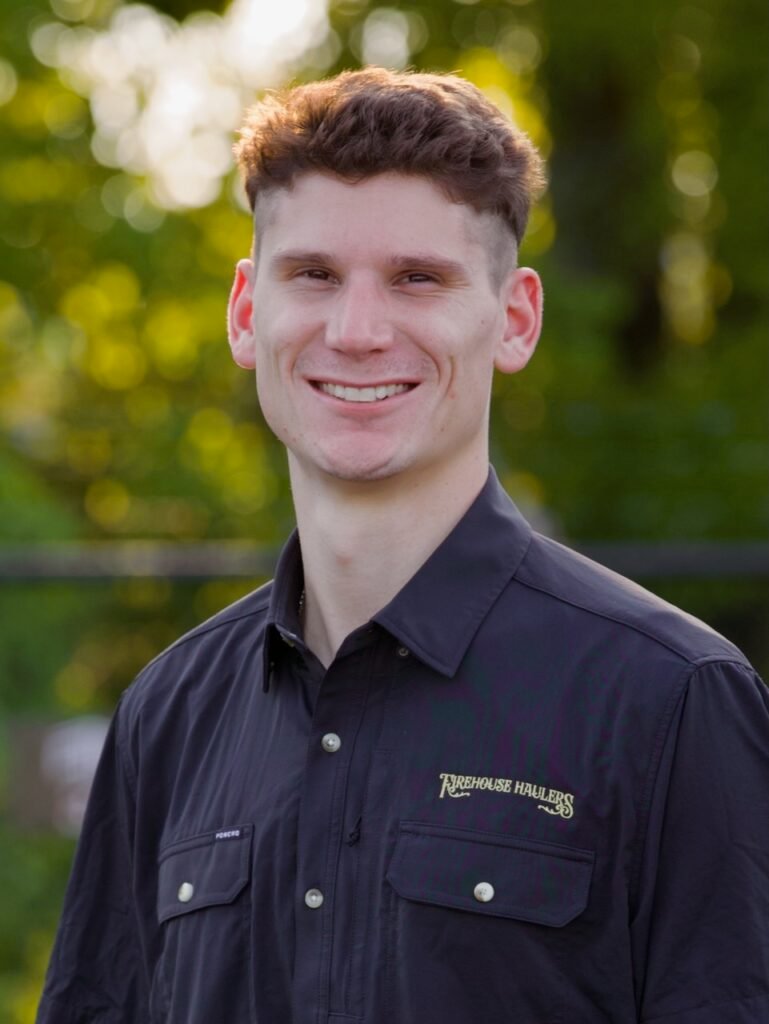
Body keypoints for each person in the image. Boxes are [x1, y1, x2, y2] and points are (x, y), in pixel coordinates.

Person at [37, 68, 768, 1024]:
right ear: (246, 313)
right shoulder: (166, 717)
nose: (358, 331)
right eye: (315, 276)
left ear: (513, 319)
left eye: (417, 279)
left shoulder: (671, 700)